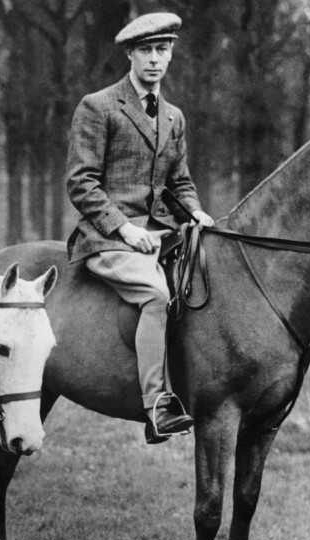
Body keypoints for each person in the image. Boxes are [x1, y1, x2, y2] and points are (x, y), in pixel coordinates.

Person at [66, 12, 215, 444]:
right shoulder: (98, 106)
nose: (154, 59)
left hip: (162, 235)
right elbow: (81, 182)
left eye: (162, 50)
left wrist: (196, 213)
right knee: (157, 295)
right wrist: (123, 229)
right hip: (107, 238)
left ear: (170, 55)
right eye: (146, 50)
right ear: (130, 54)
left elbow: (179, 182)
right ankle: (157, 406)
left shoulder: (173, 117)